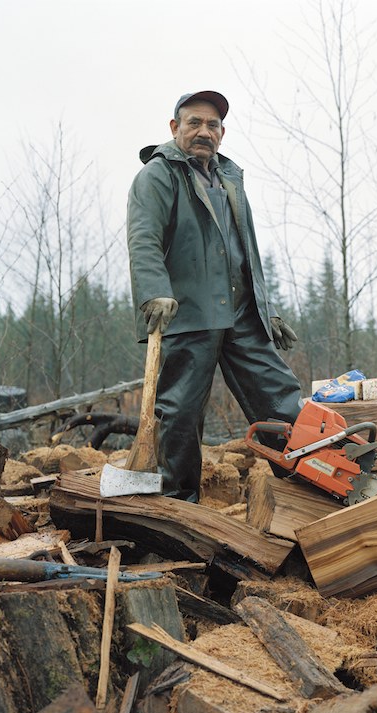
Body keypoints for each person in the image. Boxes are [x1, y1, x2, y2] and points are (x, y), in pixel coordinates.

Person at [127, 90, 302, 501]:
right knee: (181, 414)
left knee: (280, 396)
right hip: (188, 312)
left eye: (213, 125)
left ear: (222, 132)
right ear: (175, 128)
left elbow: (247, 252)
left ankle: (305, 484)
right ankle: (179, 504)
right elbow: (143, 238)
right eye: (195, 123)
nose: (204, 131)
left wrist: (267, 310)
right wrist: (154, 292)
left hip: (241, 314)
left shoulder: (229, 180)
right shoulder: (158, 175)